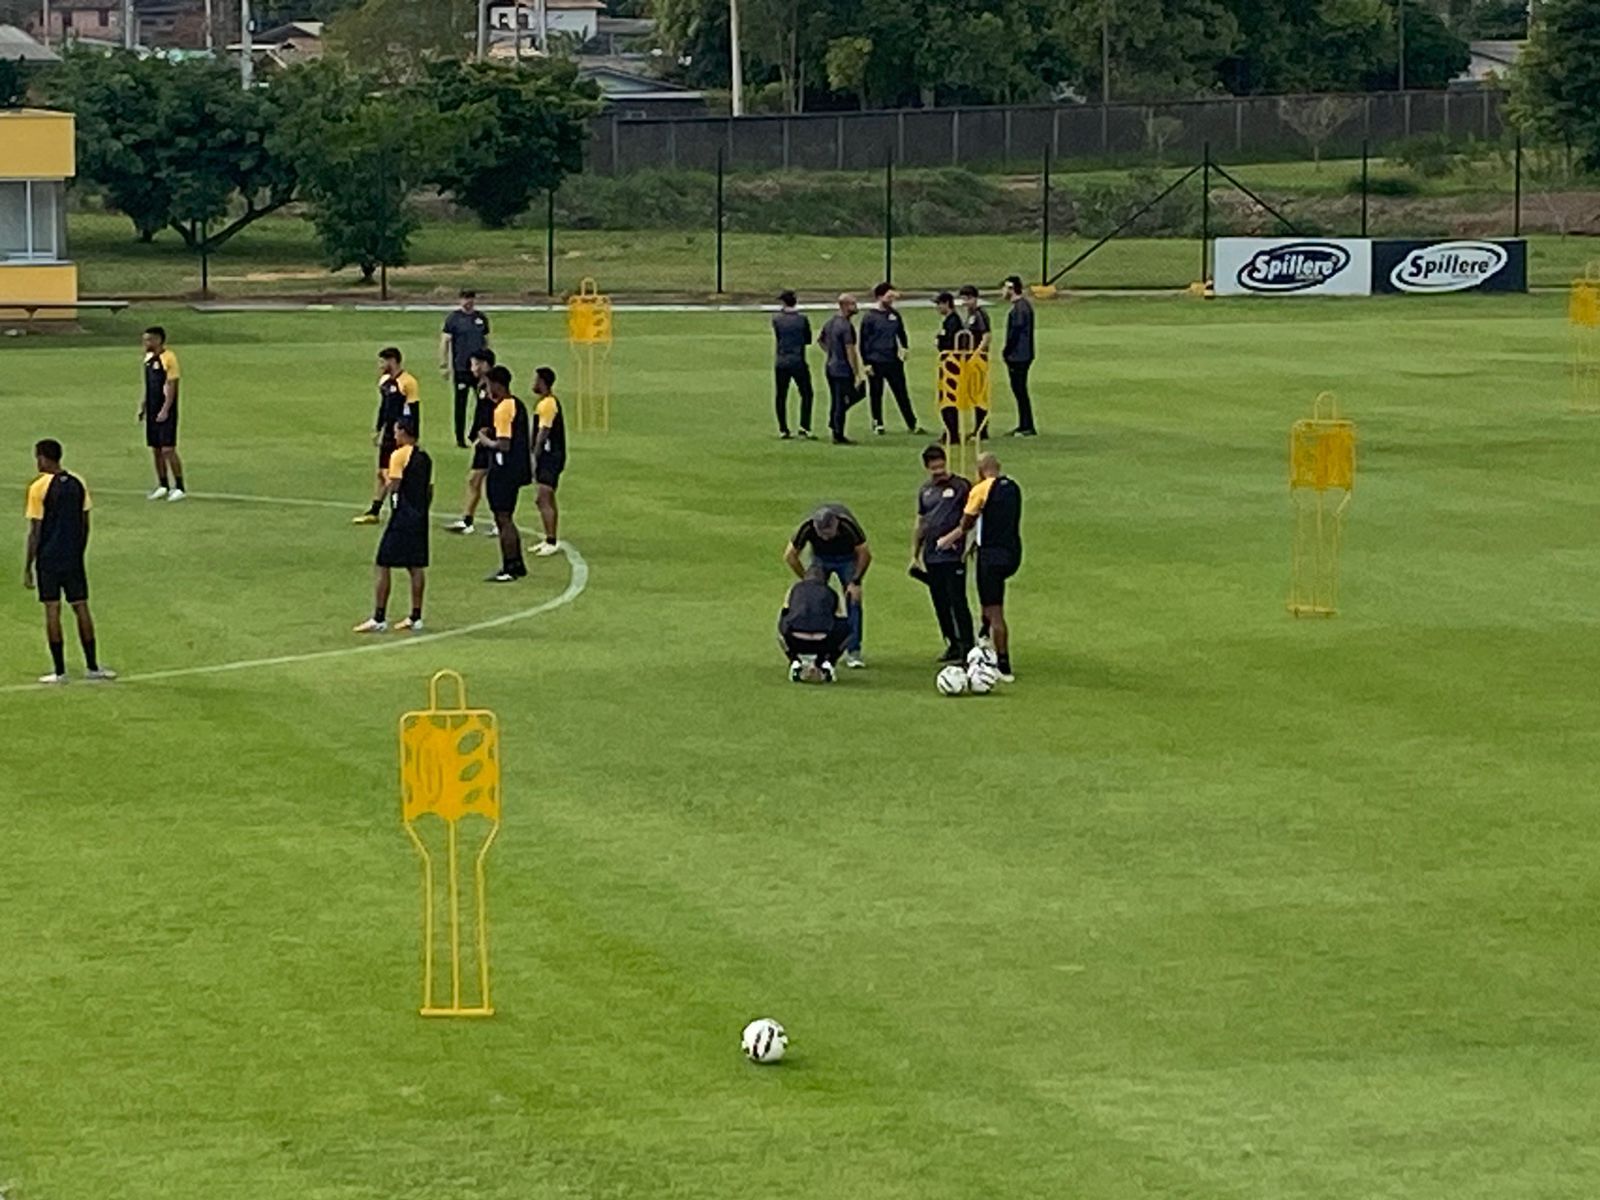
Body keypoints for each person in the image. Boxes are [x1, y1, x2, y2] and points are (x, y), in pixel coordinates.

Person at [23, 439, 114, 684]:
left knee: (52, 610)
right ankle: (92, 667)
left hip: (48, 559)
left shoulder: (38, 487)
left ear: (43, 458)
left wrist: (28, 565)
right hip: (73, 557)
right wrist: (78, 551)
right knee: (81, 607)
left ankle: (60, 671)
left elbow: (35, 530)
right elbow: (85, 523)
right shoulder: (77, 483)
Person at [937, 452, 1022, 682]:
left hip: (990, 556)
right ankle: (984, 636)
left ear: (980, 469)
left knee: (995, 612)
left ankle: (1003, 665)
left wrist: (948, 539)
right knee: (988, 602)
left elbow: (966, 522)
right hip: (1012, 552)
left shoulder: (981, 489)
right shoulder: (1013, 487)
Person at [354, 420, 432, 634]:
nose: (395, 436)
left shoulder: (398, 456)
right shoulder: (425, 457)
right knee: (416, 566)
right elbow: (429, 489)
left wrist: (385, 479)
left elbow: (394, 486)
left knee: (383, 562)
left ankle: (379, 617)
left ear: (404, 433)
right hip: (420, 516)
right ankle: (416, 616)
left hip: (402, 517)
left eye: (397, 432)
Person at [784, 503, 870, 669]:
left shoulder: (847, 525)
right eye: (821, 533)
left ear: (836, 524)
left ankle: (853, 651)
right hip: (820, 559)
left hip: (847, 558)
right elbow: (790, 555)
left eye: (829, 532)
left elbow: (864, 553)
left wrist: (856, 581)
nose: (825, 537)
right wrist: (807, 582)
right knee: (815, 601)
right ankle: (817, 647)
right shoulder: (807, 527)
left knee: (853, 600)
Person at [911, 444, 974, 663]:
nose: (939, 471)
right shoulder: (925, 491)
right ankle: (952, 643)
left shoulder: (961, 486)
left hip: (954, 554)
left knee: (958, 601)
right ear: (927, 467)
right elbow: (921, 522)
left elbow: (972, 516)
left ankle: (967, 646)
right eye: (934, 468)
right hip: (931, 555)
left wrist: (968, 545)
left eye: (941, 466)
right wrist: (915, 554)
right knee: (940, 602)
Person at [476, 364, 531, 583]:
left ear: (497, 385)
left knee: (503, 518)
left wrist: (484, 440)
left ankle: (510, 566)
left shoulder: (502, 410)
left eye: (489, 385)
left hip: (503, 470)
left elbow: (503, 444)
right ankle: (517, 563)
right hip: (516, 469)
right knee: (506, 517)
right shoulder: (517, 404)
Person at [355, 347, 421, 524]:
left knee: (395, 474)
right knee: (381, 472)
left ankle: (399, 509)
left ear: (393, 361)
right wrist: (378, 429)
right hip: (388, 434)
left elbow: (414, 411)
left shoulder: (408, 382)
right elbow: (383, 407)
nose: (380, 365)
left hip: (401, 434)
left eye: (383, 362)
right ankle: (375, 511)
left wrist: (413, 436)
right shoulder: (384, 381)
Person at [444, 347, 498, 536]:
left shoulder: (492, 386)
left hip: (491, 441)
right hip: (482, 440)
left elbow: (494, 413)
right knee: (474, 480)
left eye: (475, 364)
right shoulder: (481, 385)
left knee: (490, 482)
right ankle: (467, 520)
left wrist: (486, 433)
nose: (472, 368)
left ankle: (499, 521)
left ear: (485, 365)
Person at [859, 282, 924, 436]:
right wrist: (866, 363)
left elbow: (901, 333)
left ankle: (912, 423)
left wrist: (905, 347)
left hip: (893, 360)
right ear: (880, 297)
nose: (891, 300)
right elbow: (864, 341)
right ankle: (878, 423)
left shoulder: (894, 315)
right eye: (888, 297)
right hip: (875, 361)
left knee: (901, 392)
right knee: (876, 393)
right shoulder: (869, 317)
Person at [778, 565, 849, 683]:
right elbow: (840, 616)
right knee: (846, 628)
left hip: (795, 639)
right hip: (823, 640)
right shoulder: (831, 592)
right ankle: (827, 662)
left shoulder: (795, 589)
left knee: (782, 627)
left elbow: (785, 611)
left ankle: (795, 661)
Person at [139, 326, 186, 502]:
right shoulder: (148, 359)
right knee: (156, 449)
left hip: (165, 410)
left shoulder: (169, 358)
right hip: (152, 409)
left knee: (168, 449)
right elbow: (149, 385)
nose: (146, 343)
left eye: (149, 340)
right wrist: (144, 405)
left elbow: (172, 386)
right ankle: (163, 484)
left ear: (158, 340)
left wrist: (166, 409)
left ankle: (179, 486)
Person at [440, 290, 491, 449]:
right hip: (461, 368)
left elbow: (486, 341)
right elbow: (445, 341)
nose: (468, 302)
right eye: (465, 298)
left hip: (479, 371)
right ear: (460, 300)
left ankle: (477, 434)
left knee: (483, 403)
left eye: (470, 298)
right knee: (460, 403)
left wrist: (488, 364)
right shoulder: (453, 319)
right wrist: (444, 364)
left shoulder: (480, 318)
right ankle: (460, 437)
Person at [817, 294, 864, 444]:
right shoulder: (846, 326)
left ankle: (835, 422)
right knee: (849, 397)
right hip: (842, 369)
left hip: (831, 366)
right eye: (853, 304)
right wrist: (856, 372)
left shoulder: (830, 322)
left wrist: (831, 352)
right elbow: (850, 350)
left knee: (837, 399)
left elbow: (820, 340)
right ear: (844, 305)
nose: (856, 307)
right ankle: (837, 431)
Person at [529, 365, 565, 558]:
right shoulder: (544, 403)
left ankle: (551, 540)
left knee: (544, 496)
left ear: (543, 382)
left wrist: (534, 456)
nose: (533, 383)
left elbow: (543, 433)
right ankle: (549, 537)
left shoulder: (548, 404)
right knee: (545, 498)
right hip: (549, 456)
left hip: (550, 456)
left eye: (536, 380)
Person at [771, 290, 814, 439]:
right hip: (798, 360)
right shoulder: (802, 319)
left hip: (781, 361)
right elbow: (808, 339)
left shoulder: (777, 320)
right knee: (806, 393)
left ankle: (783, 429)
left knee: (781, 395)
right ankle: (804, 427)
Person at [1000, 275, 1037, 436]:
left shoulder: (1019, 309)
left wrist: (1007, 351)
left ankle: (1026, 425)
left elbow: (1014, 333)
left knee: (1020, 391)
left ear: (1011, 288)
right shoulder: (1022, 306)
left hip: (1019, 356)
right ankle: (1024, 424)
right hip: (1022, 354)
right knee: (1020, 391)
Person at [960, 284, 993, 439]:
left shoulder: (980, 315)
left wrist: (977, 353)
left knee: (979, 394)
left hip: (978, 360)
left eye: (968, 299)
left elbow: (986, 336)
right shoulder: (970, 315)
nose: (965, 302)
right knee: (973, 393)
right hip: (969, 359)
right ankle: (977, 428)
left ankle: (982, 429)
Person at [934, 292, 964, 446]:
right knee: (947, 399)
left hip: (951, 364)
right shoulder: (950, 320)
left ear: (946, 303)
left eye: (939, 304)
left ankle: (952, 433)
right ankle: (950, 431)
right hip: (950, 363)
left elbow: (948, 343)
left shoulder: (952, 321)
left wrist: (939, 340)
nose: (938, 308)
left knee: (948, 399)